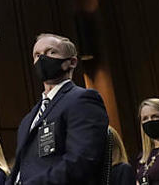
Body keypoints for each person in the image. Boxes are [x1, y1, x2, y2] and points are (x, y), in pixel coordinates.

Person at [9, 33, 108, 185]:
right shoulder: (28, 119)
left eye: (51, 52)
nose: (42, 58)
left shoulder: (82, 100)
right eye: (37, 55)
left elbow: (81, 161)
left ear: (72, 62)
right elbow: (20, 168)